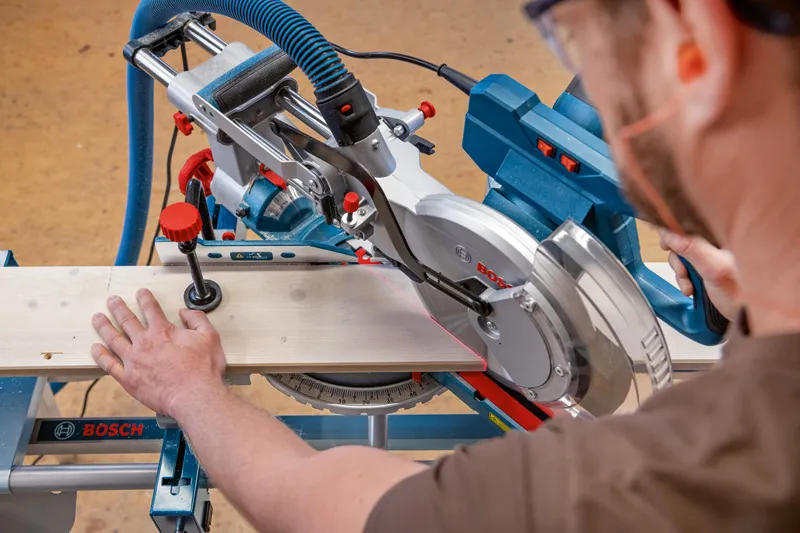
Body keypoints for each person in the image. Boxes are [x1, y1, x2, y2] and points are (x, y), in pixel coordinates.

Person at [90, 0, 800, 531]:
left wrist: (192, 394)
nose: (593, 83)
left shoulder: (602, 495)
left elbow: (316, 502)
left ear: (699, 48)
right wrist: (752, 297)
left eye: (580, 37)